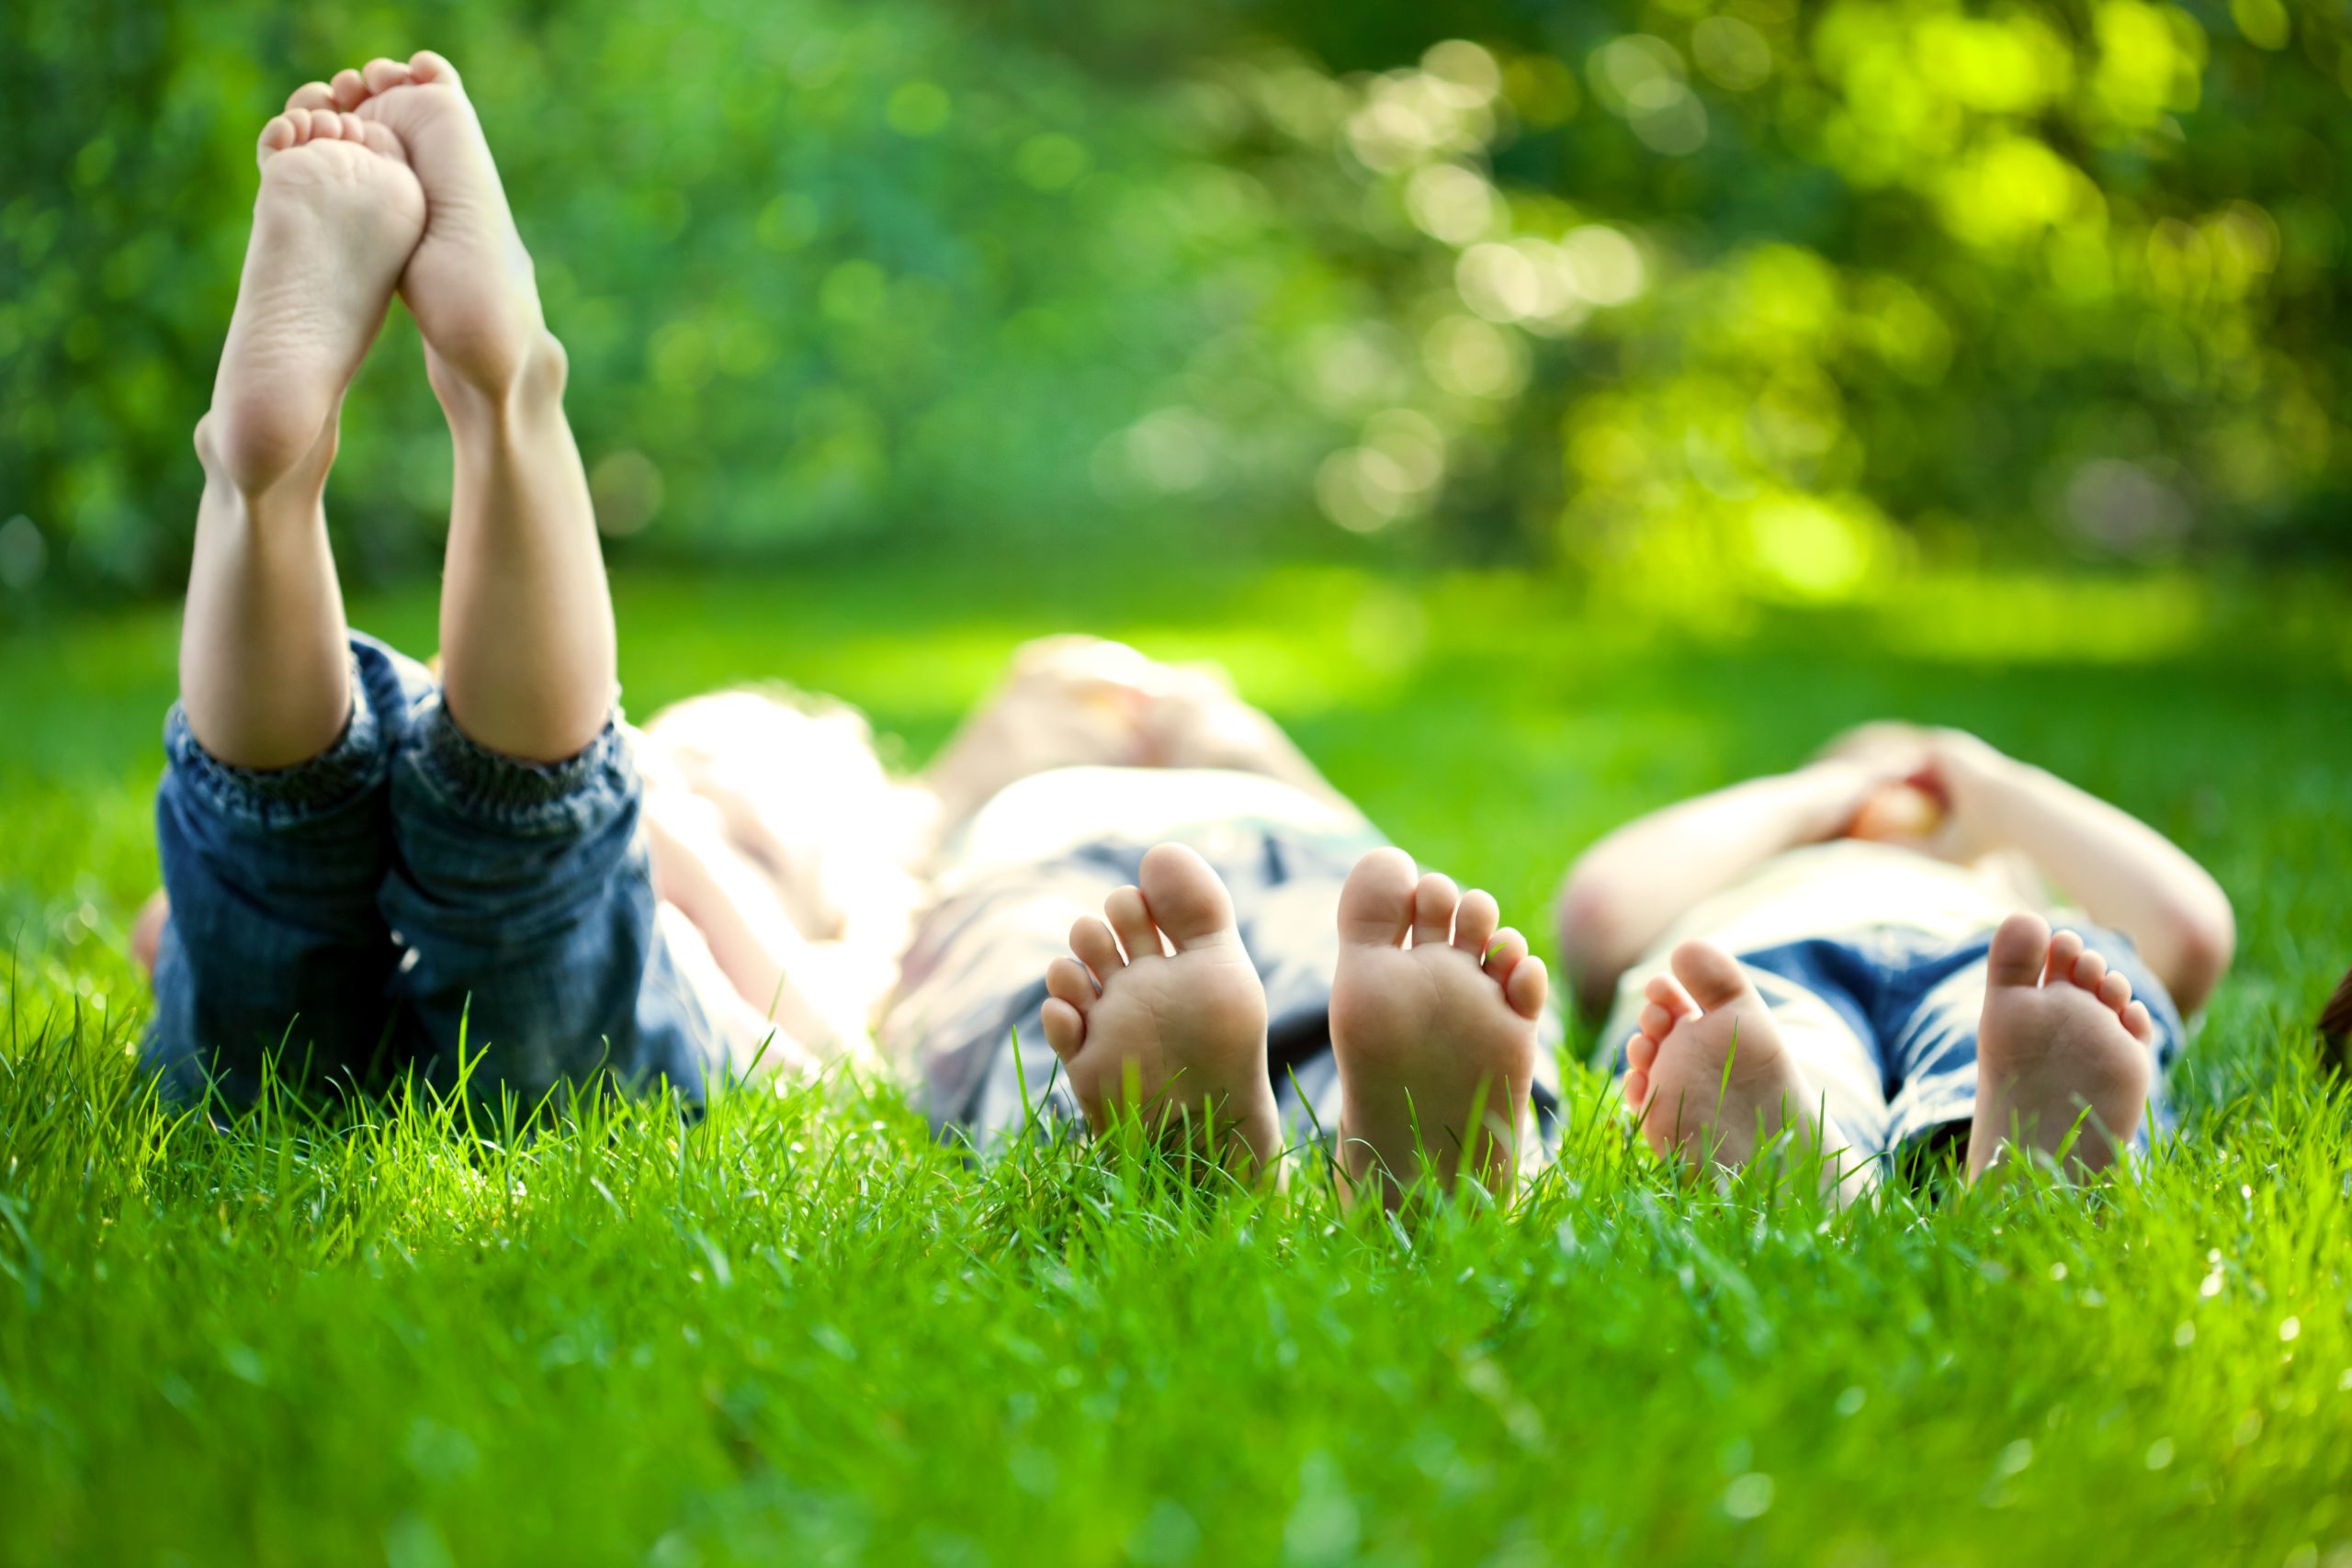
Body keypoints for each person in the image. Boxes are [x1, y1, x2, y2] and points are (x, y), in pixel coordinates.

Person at [143, 52, 786, 1111]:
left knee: (275, 874)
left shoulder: (811, 885)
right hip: (551, 1039)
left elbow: (156, 928)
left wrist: (673, 823)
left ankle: (287, 481)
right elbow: (832, 1052)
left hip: (327, 986)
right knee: (502, 842)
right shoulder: (863, 904)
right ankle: (497, 398)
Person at [1554, 725, 2236, 1189]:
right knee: (1762, 1046)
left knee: (2026, 1022)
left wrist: (1993, 791)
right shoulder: (1753, 871)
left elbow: (2189, 932)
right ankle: (1810, 1165)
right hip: (1763, 959)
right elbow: (1599, 914)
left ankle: (2022, 1151)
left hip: (1988, 961)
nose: (1901, 786)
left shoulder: (2007, 890)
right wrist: (1822, 792)